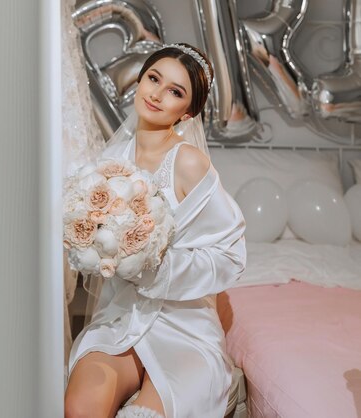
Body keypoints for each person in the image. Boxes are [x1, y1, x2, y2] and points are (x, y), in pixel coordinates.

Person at [64, 43, 247, 418]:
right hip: (121, 316)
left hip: (183, 326)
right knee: (80, 407)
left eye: (175, 92)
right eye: (153, 79)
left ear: (189, 111)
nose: (157, 94)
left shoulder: (189, 163)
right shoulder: (109, 164)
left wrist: (152, 266)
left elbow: (229, 257)